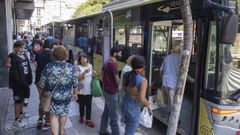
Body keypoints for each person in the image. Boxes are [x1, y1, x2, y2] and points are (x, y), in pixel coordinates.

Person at [39, 46, 78, 135]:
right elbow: (75, 82)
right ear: (65, 55)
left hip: (52, 96)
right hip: (66, 96)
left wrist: (41, 94)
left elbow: (42, 84)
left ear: (53, 55)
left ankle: (55, 133)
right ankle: (62, 131)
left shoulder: (48, 67)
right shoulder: (70, 67)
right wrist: (75, 93)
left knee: (54, 116)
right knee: (63, 113)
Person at [160, 44, 194, 114]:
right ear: (180, 51)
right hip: (173, 82)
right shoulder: (181, 60)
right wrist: (192, 80)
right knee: (173, 100)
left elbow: (160, 70)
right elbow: (184, 73)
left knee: (169, 99)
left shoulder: (167, 57)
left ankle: (170, 112)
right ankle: (174, 117)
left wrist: (161, 78)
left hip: (165, 81)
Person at [121, 55, 150, 135]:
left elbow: (123, 89)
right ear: (143, 66)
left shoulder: (126, 74)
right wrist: (148, 104)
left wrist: (133, 92)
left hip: (124, 105)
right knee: (129, 132)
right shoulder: (143, 81)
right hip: (133, 109)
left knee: (128, 128)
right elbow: (142, 99)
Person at [9, 41, 32, 128]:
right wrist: (23, 83)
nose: (23, 49)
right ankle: (16, 119)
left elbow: (28, 67)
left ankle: (21, 113)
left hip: (25, 82)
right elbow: (15, 75)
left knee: (22, 99)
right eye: (21, 47)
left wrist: (29, 80)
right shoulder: (14, 58)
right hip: (18, 84)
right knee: (18, 101)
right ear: (16, 47)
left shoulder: (25, 55)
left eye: (24, 47)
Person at [99, 46, 122, 135]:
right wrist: (119, 86)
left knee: (106, 111)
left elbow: (102, 74)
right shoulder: (113, 64)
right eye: (120, 53)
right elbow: (117, 79)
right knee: (114, 116)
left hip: (106, 90)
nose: (121, 55)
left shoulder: (107, 61)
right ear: (115, 53)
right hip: (111, 92)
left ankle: (102, 130)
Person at [34, 39, 53, 130]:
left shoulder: (38, 53)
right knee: (48, 100)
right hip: (49, 80)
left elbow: (35, 65)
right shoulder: (53, 54)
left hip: (39, 79)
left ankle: (40, 119)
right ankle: (47, 122)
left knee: (42, 99)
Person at [75, 53, 96, 128]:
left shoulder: (90, 66)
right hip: (81, 89)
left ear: (87, 59)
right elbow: (78, 77)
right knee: (81, 105)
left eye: (85, 58)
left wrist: (94, 74)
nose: (84, 60)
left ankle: (88, 120)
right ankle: (81, 117)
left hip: (89, 89)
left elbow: (92, 76)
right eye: (82, 59)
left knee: (89, 105)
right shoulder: (77, 67)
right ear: (79, 60)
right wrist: (84, 72)